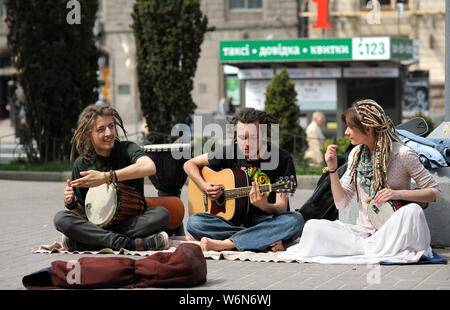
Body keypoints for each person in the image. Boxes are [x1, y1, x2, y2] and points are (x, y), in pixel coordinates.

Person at [279, 99, 441, 264]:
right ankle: (372, 248)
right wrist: (333, 169)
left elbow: (435, 193)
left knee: (413, 212)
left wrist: (396, 193)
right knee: (313, 227)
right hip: (361, 233)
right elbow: (341, 203)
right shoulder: (356, 154)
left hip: (391, 230)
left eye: (350, 127)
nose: (346, 132)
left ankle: (371, 248)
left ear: (368, 129)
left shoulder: (403, 154)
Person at [184, 108, 305, 253]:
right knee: (194, 222)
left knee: (295, 220)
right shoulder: (230, 152)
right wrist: (204, 186)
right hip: (234, 222)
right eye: (242, 137)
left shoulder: (282, 159)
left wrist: (265, 205)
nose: (247, 144)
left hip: (266, 221)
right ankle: (261, 239)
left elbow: (281, 207)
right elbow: (189, 164)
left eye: (253, 137)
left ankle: (227, 244)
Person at [53, 104, 170, 251]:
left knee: (161, 214)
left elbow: (149, 167)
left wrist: (106, 177)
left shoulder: (127, 148)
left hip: (130, 222)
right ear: (88, 135)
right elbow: (84, 212)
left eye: (111, 126)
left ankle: (89, 242)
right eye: (101, 129)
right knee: (61, 219)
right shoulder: (81, 164)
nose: (109, 133)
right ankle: (130, 244)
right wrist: (71, 203)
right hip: (98, 225)